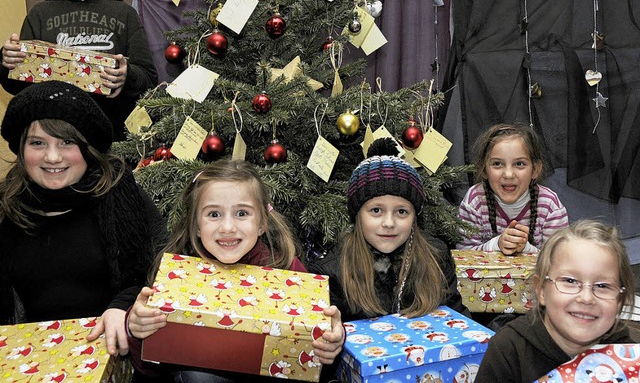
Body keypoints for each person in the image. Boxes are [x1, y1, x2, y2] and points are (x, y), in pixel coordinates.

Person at [126, 160, 345, 382]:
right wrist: (137, 330)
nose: (228, 227)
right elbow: (151, 369)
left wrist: (331, 339)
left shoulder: (288, 270)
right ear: (196, 226)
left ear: (262, 223)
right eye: (213, 214)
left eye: (242, 213)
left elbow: (311, 362)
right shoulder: (175, 280)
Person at [0, 80, 167, 357]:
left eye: (67, 142)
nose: (52, 157)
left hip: (117, 356)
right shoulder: (6, 208)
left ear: (87, 148)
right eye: (38, 143)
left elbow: (160, 269)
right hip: (32, 360)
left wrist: (122, 306)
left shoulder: (119, 194)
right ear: (21, 149)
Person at [0, 0, 157, 141]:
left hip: (112, 142)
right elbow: (20, 87)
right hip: (56, 140)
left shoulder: (125, 14)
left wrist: (128, 77)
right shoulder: (40, 14)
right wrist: (7, 63)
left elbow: (149, 80)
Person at [307, 138, 469, 322]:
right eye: (376, 211)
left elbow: (457, 318)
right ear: (357, 215)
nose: (389, 223)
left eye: (402, 212)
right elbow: (322, 338)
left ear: (415, 217)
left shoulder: (435, 257)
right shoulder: (332, 272)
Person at [475, 219, 636, 383]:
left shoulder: (626, 354)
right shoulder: (508, 349)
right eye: (570, 281)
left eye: (602, 285)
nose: (586, 298)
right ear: (541, 290)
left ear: (620, 299)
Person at [456, 123, 568, 254]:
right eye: (497, 164)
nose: (508, 174)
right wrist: (497, 244)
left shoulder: (550, 206)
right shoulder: (475, 201)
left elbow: (558, 260)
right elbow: (463, 256)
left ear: (535, 170)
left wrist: (526, 248)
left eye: (519, 164)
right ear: (484, 169)